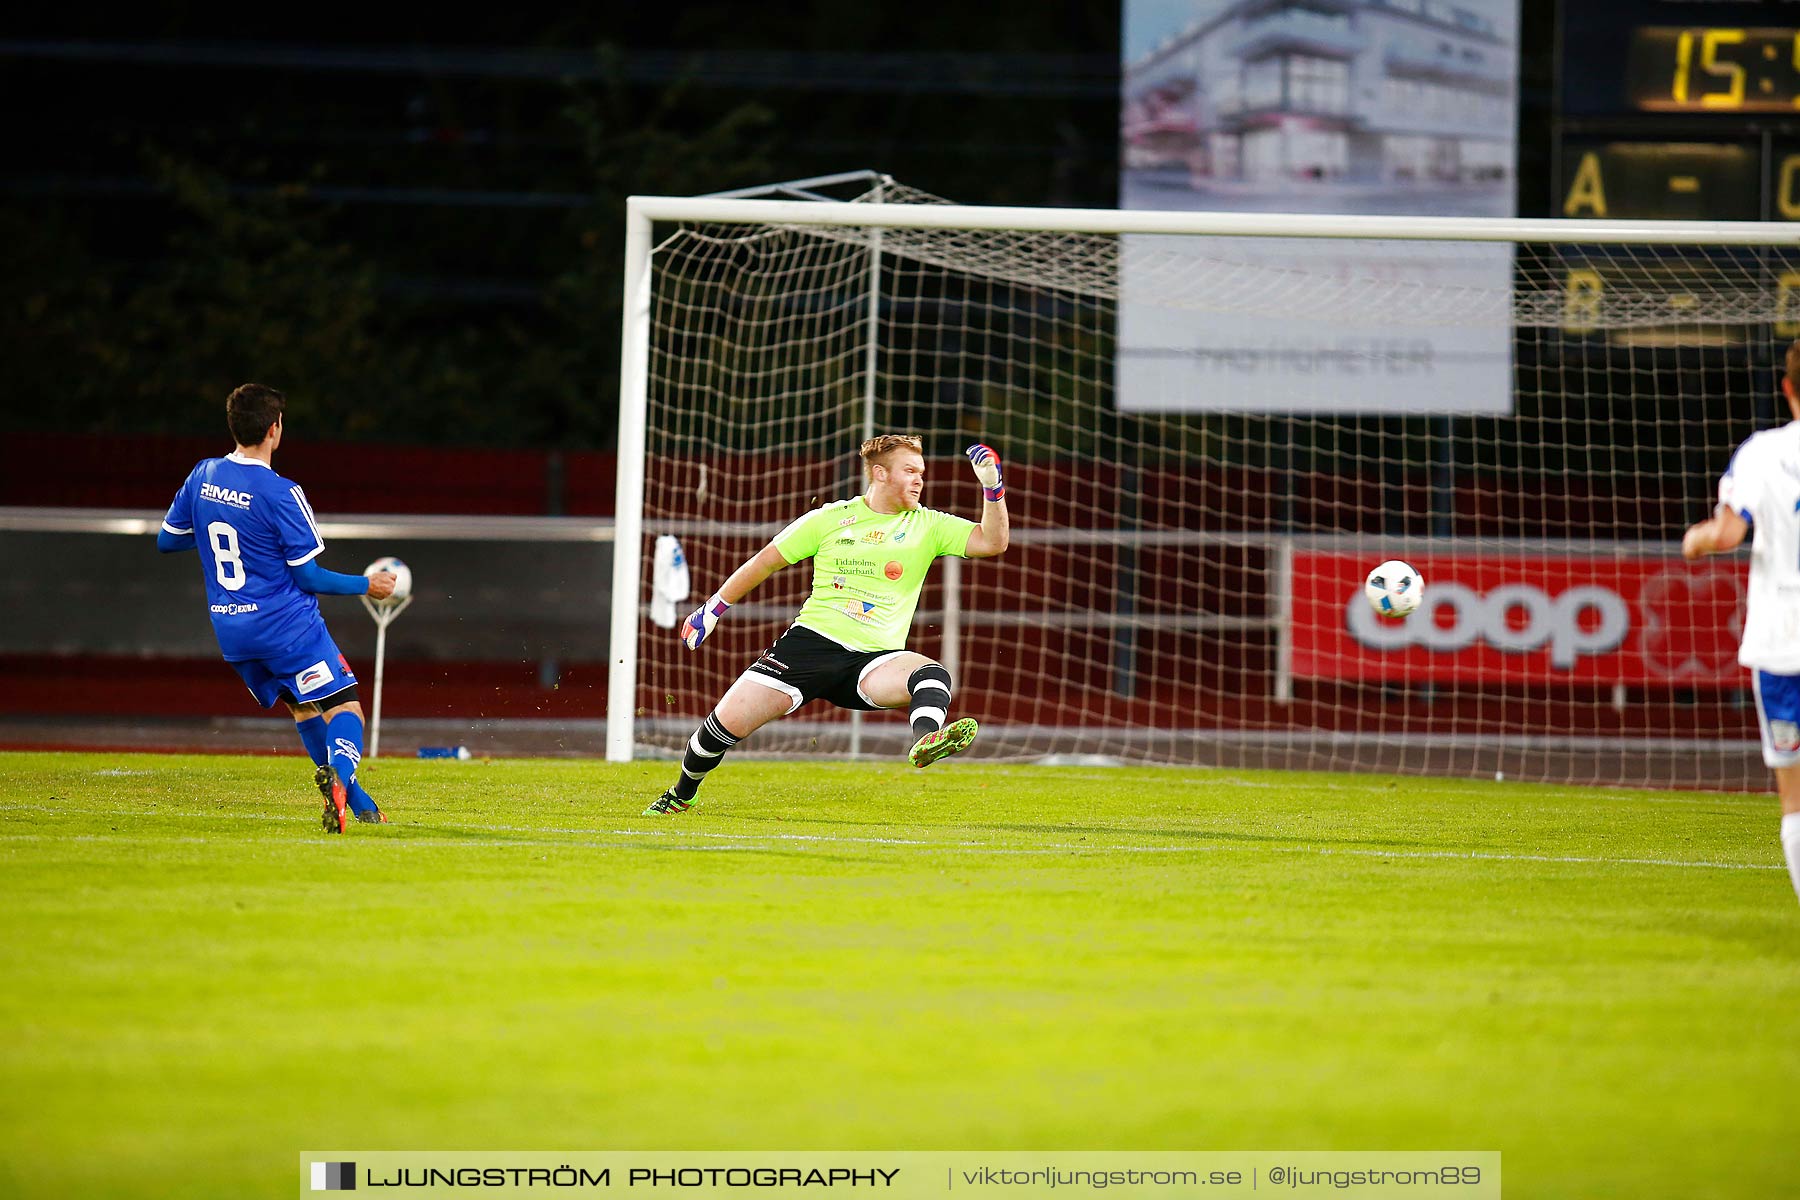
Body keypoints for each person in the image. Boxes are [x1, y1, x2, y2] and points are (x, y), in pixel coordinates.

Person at [644, 436, 1011, 815]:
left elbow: (993, 542)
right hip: (808, 647)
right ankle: (681, 794)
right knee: (721, 727)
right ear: (880, 473)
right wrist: (712, 609)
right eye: (910, 471)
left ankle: (926, 740)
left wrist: (992, 488)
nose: (919, 480)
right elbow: (766, 561)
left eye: (921, 473)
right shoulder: (830, 519)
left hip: (873, 661)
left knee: (931, 675)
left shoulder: (928, 525)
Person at [157, 383, 398, 834]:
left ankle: (360, 803)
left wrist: (224, 526)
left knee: (303, 709)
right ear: (274, 429)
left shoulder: (203, 474)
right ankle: (343, 781)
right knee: (346, 708)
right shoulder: (282, 493)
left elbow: (166, 540)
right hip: (286, 630)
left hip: (233, 632)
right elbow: (309, 577)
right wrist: (368, 584)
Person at [1682, 337, 1800, 904]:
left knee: (1794, 797)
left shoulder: (1762, 452)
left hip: (1782, 644)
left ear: (1787, 388)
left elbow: (1727, 535)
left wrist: (1696, 539)